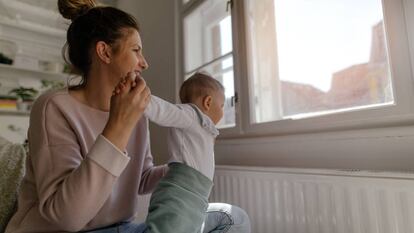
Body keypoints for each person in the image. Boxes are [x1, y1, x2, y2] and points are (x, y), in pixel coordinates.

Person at [5, 1, 249, 232]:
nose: (144, 63)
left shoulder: (137, 111)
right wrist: (118, 125)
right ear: (105, 52)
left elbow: (141, 179)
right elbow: (69, 217)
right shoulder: (54, 107)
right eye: (136, 50)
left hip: (119, 227)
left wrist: (190, 161)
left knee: (231, 218)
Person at [114, 72, 251, 233]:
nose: (222, 111)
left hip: (195, 198)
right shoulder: (191, 115)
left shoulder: (204, 128)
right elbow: (164, 110)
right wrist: (139, 98)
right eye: (221, 106)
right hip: (180, 195)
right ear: (208, 102)